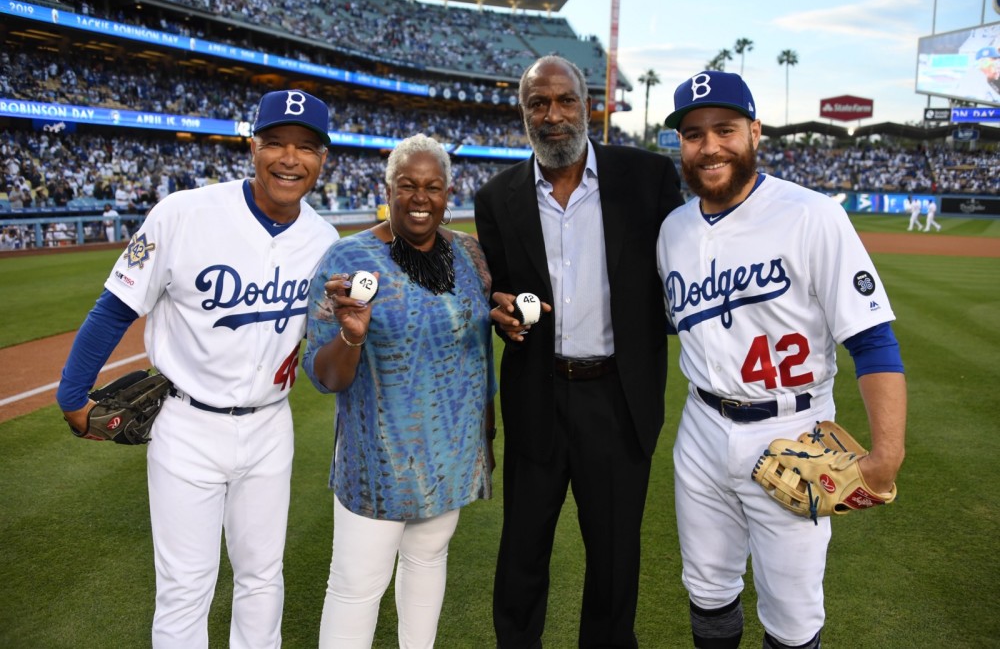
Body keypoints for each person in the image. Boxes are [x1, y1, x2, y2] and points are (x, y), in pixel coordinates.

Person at [57, 89, 340, 649]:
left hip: (269, 425)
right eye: (275, 143)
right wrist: (72, 394)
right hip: (186, 425)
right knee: (186, 585)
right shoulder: (183, 213)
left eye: (306, 147)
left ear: (323, 160)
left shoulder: (324, 240)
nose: (290, 158)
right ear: (251, 146)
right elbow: (115, 306)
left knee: (263, 577)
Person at [656, 70, 906, 649]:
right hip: (701, 425)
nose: (710, 146)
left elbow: (872, 339)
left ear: (754, 132)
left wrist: (886, 456)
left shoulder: (811, 214)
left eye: (725, 129)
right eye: (694, 134)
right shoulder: (671, 231)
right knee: (707, 587)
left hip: (793, 430)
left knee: (793, 616)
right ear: (681, 146)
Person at [474, 55, 685, 647]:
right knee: (522, 554)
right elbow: (501, 296)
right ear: (523, 114)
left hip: (618, 400)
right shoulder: (498, 197)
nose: (554, 115)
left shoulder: (647, 178)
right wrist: (503, 316)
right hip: (538, 397)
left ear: (588, 106)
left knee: (615, 563)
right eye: (538, 103)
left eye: (566, 100)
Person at [304, 133, 495, 647]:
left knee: (428, 566)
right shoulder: (347, 258)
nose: (419, 197)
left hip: (450, 457)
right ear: (385, 188)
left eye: (432, 186)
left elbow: (480, 343)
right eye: (407, 184)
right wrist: (351, 335)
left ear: (448, 193)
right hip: (377, 464)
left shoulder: (470, 255)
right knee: (355, 588)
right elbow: (325, 376)